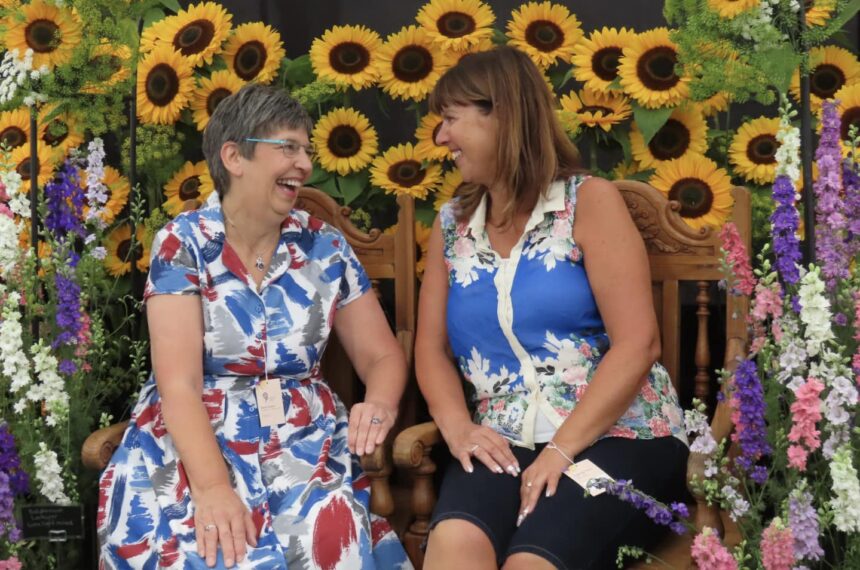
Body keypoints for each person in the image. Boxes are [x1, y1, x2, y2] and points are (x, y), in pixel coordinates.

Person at [97, 83, 413, 569]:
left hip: (303, 440)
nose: (305, 164)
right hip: (193, 440)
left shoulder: (323, 246)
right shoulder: (182, 244)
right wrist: (212, 487)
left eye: (306, 150)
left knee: (325, 542)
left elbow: (382, 355)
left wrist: (379, 405)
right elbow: (177, 382)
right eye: (288, 148)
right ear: (234, 157)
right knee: (208, 550)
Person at [415, 46, 689, 570]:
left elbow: (638, 344)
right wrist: (458, 428)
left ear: (504, 115)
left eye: (451, 119)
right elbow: (430, 347)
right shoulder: (451, 226)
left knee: (531, 564)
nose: (441, 137)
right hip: (500, 438)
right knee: (452, 553)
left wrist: (560, 452)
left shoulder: (588, 201)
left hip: (618, 435)